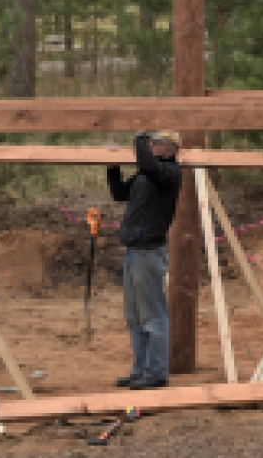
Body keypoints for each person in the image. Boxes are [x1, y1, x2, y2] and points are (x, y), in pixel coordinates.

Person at [106, 130, 182, 390]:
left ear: (171, 150)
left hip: (149, 251)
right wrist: (113, 167)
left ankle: (156, 372)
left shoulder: (170, 173)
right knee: (135, 316)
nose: (151, 147)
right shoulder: (145, 176)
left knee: (153, 316)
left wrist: (138, 138)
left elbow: (148, 164)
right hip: (134, 249)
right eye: (151, 143)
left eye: (156, 144)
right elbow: (118, 193)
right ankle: (142, 370)